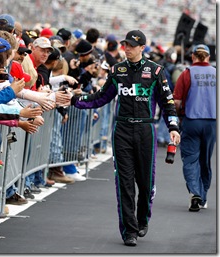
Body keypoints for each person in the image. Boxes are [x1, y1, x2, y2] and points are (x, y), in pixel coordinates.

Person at [67, 30, 181, 246]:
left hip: (146, 131)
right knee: (124, 183)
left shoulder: (156, 71)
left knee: (146, 183)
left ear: (141, 48)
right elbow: (101, 97)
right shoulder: (117, 70)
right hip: (122, 131)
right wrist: (75, 100)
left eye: (130, 45)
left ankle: (142, 219)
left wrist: (173, 127)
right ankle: (129, 230)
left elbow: (168, 102)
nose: (126, 48)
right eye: (125, 44)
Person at [173, 44, 216, 212]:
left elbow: (176, 102)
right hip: (212, 122)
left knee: (190, 159)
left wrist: (177, 117)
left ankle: (195, 192)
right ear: (208, 56)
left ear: (193, 56)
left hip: (191, 120)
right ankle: (203, 196)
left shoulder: (187, 73)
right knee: (205, 160)